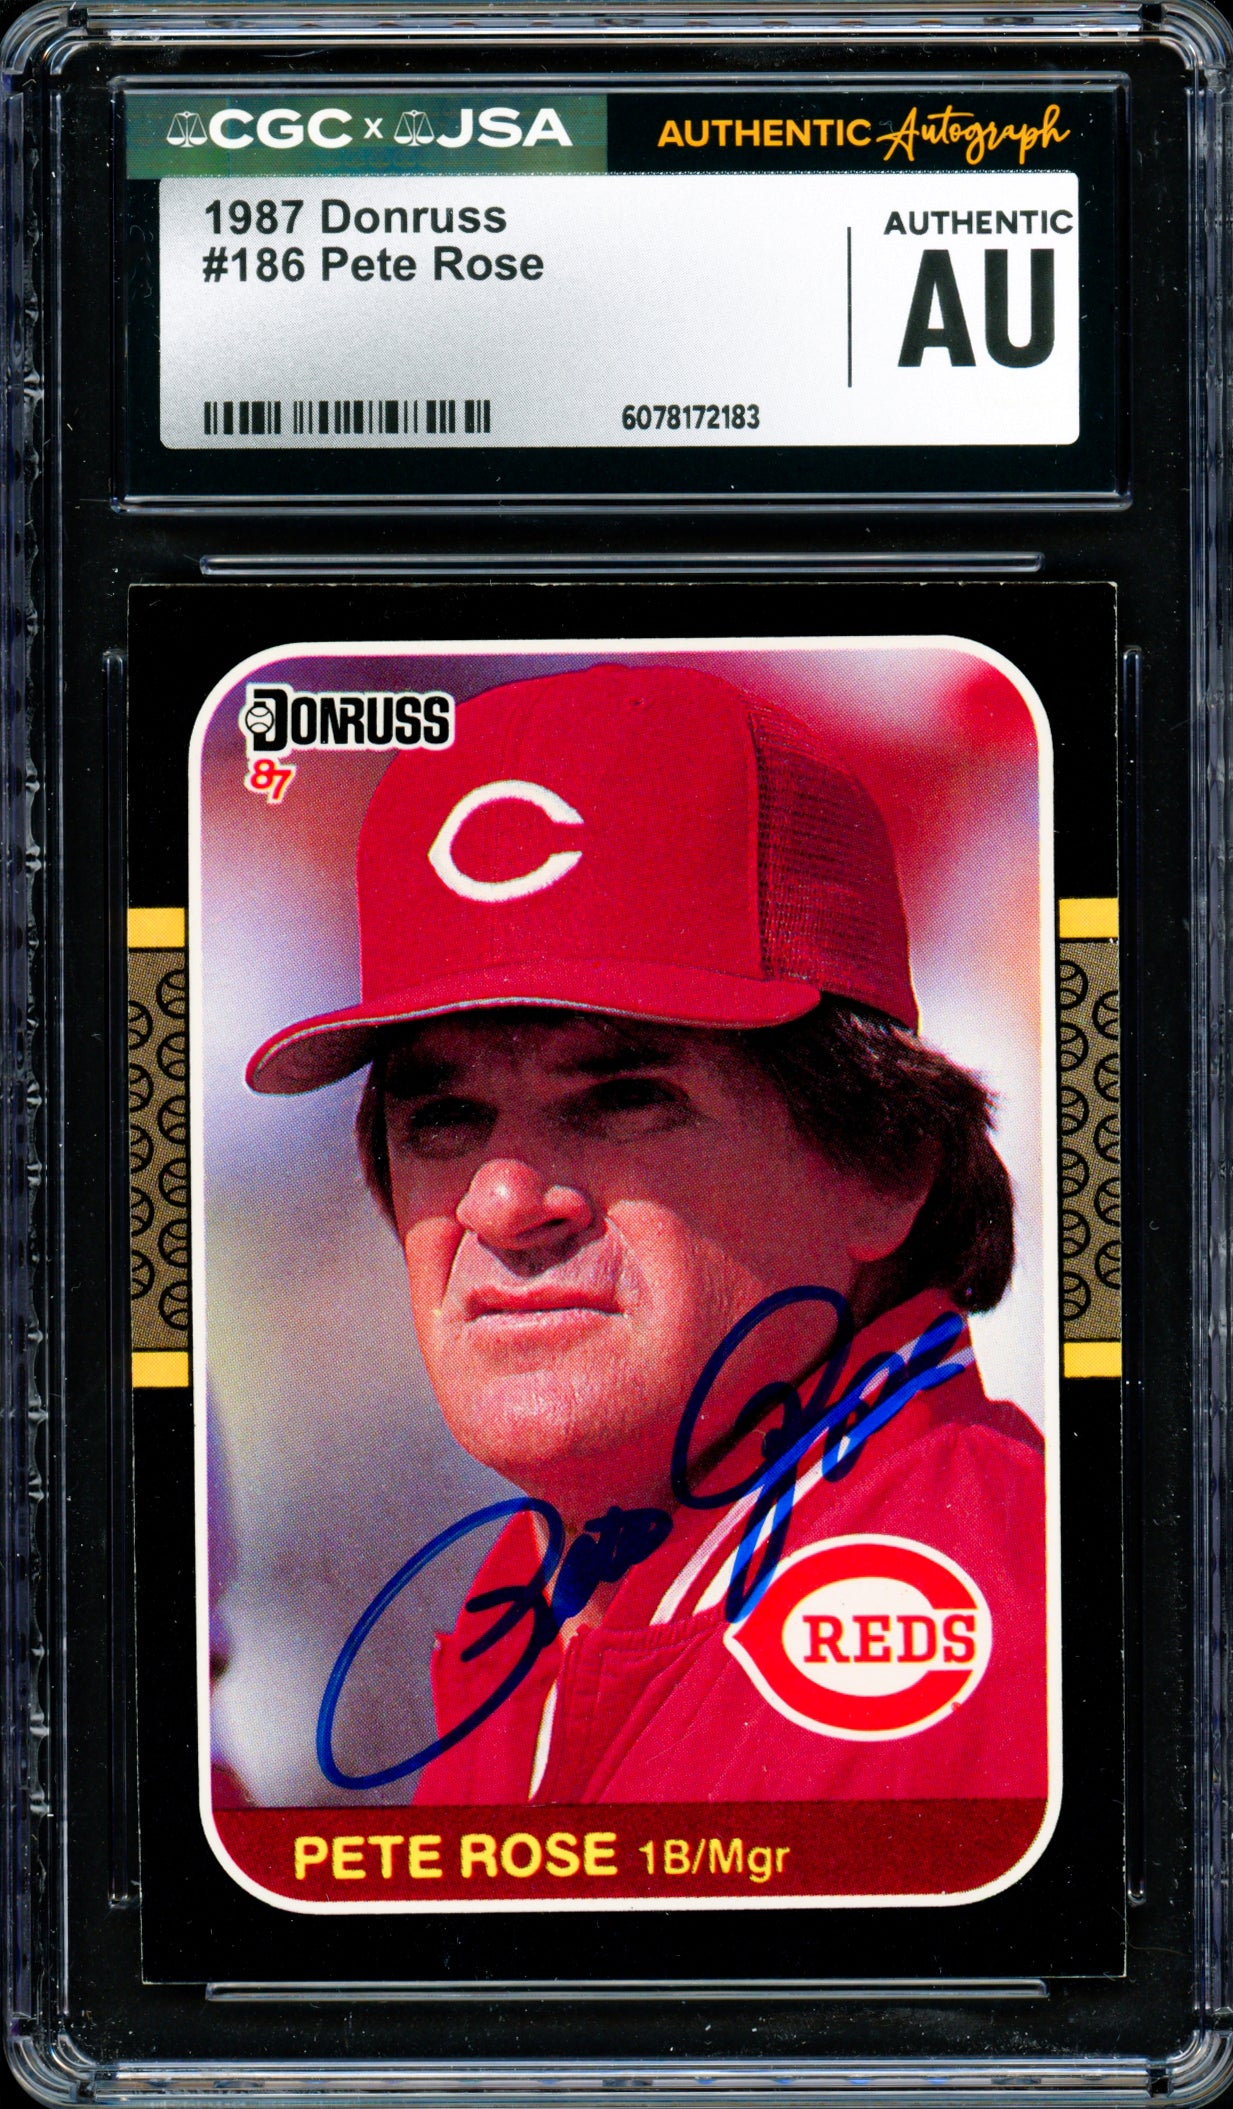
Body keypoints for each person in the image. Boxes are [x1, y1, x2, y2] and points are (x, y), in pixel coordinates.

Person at [246, 661, 1046, 1822]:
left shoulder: (921, 1652)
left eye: (623, 1098)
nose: (500, 1201)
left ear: (885, 1164)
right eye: (444, 1117)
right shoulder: (565, 1580)